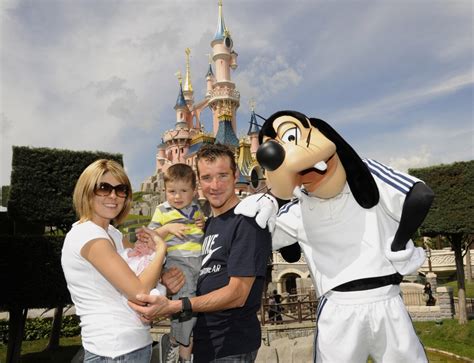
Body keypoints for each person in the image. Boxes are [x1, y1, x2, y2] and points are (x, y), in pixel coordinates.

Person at [129, 144, 272, 363]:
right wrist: (168, 281)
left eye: (223, 176)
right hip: (204, 344)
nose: (215, 185)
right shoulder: (207, 224)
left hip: (230, 346)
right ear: (199, 183)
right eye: (207, 178)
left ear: (235, 176)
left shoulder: (247, 223)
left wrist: (177, 305)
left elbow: (237, 294)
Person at [61, 159, 168, 362]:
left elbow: (145, 273)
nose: (113, 196)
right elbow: (141, 292)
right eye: (104, 188)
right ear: (87, 191)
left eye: (120, 189)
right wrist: (161, 250)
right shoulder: (88, 236)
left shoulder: (113, 234)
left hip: (132, 346)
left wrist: (162, 272)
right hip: (114, 352)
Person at [147, 163, 205, 363]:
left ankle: (175, 341)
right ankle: (181, 352)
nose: (177, 196)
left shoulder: (197, 208)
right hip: (178, 261)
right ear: (164, 191)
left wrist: (204, 223)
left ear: (194, 191)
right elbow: (150, 237)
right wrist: (168, 228)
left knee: (197, 304)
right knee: (186, 303)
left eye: (183, 191)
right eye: (172, 191)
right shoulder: (162, 210)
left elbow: (202, 232)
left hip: (199, 260)